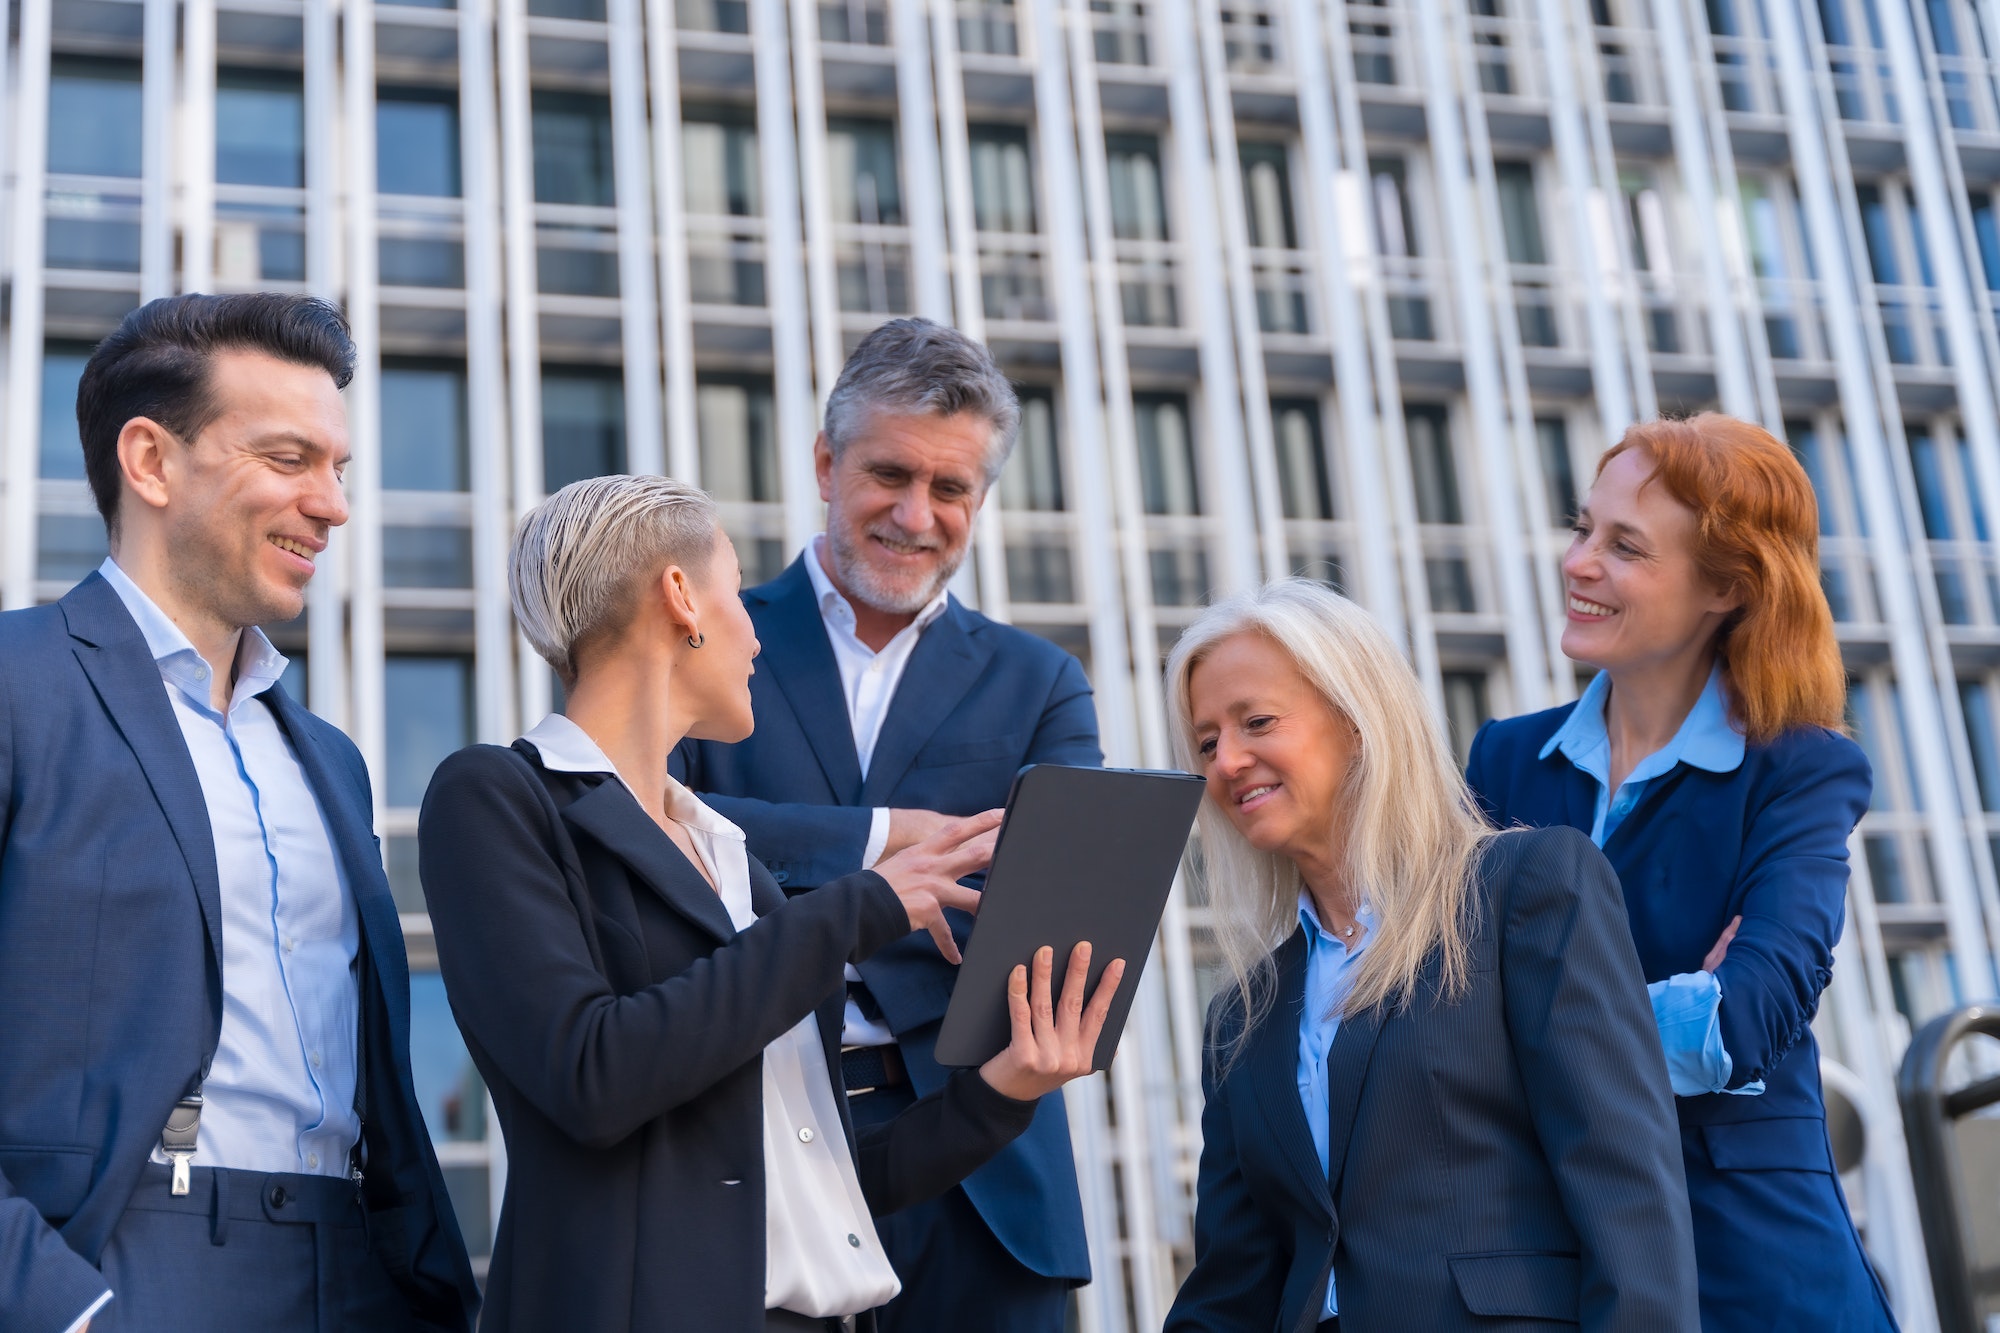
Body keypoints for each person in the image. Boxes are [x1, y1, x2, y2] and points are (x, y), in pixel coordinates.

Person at [418, 474, 1123, 1333]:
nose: (757, 632)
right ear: (681, 597)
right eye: (736, 587)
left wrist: (1003, 1091)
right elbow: (591, 1071)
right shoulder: (499, 795)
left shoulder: (727, 854)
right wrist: (861, 908)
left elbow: (819, 1176)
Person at [0, 293, 479, 1333]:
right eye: (289, 458)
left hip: (357, 1270)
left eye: (338, 469)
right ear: (151, 461)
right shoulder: (16, 684)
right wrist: (60, 1309)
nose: (334, 504)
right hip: (124, 1265)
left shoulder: (333, 763)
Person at [673, 317, 1096, 1332]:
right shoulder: (705, 634)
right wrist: (882, 845)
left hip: (986, 1174)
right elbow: (651, 830)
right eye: (887, 475)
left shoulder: (1039, 683)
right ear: (826, 463)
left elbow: (1055, 909)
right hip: (755, 1149)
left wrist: (780, 875)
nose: (915, 514)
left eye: (949, 490)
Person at [1163, 579, 1699, 1333]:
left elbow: (1628, 1194)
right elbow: (1231, 1288)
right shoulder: (1241, 1016)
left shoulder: (1526, 889)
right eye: (1208, 742)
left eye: (1257, 721)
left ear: (1357, 719)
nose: (1228, 761)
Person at [1465, 415, 1896, 1331]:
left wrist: (1534, 1027)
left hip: (1753, 1268)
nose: (1580, 562)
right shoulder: (1503, 763)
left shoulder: (1798, 767)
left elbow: (1745, 1019)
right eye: (1584, 528)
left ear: (1728, 587)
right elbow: (1447, 1023)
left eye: (1626, 547)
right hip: (1562, 1273)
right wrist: (1666, 1003)